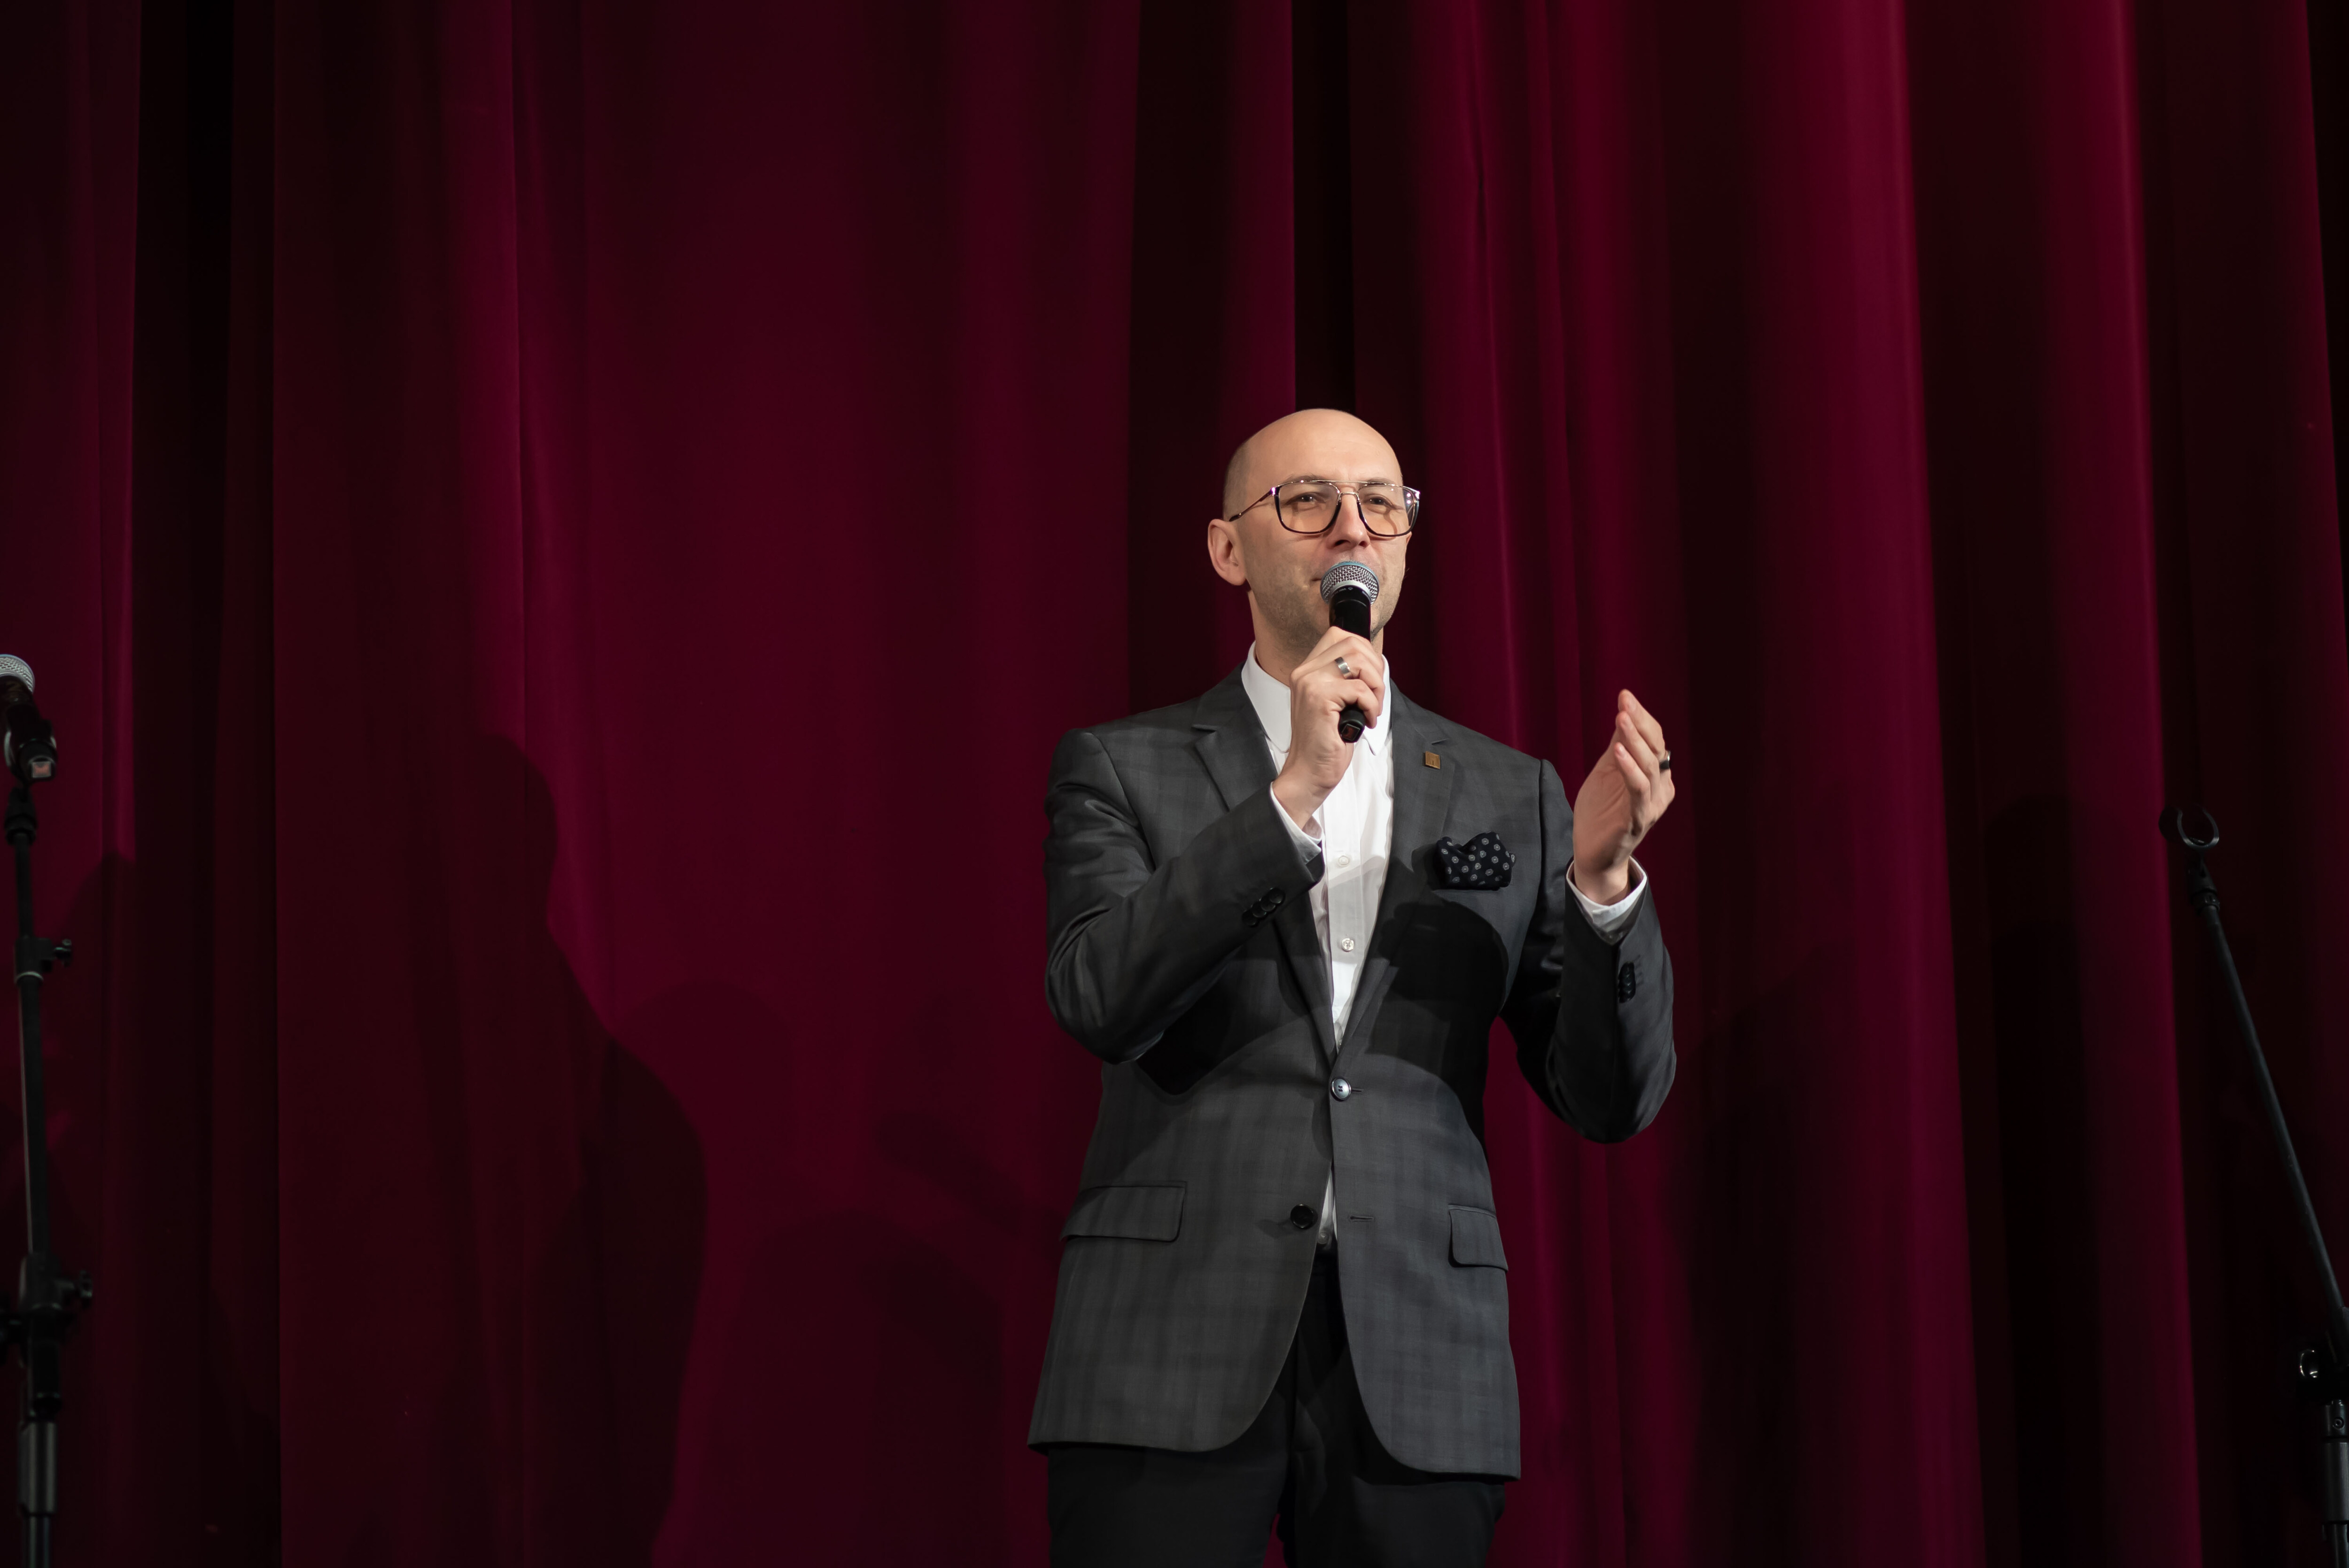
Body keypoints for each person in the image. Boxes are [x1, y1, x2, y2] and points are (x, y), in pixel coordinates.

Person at [1031, 409, 1678, 1566]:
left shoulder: (1510, 791)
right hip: (1167, 1340)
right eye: (1309, 502)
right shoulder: (1122, 766)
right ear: (1229, 549)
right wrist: (1290, 797)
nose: (1353, 531)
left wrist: (1601, 884)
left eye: (1382, 504)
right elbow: (1099, 995)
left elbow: (1607, 1097)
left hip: (1417, 1354)